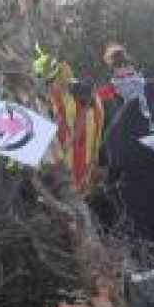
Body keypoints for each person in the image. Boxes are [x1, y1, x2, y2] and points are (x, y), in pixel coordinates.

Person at [97, 45, 154, 260]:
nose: (126, 76)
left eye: (129, 70)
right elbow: (98, 132)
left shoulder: (153, 91)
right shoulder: (104, 97)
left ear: (135, 68)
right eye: (120, 71)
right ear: (112, 72)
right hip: (128, 171)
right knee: (140, 226)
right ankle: (152, 267)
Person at [32, 47, 105, 196]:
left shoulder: (56, 98)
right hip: (85, 172)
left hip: (64, 175)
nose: (47, 87)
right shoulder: (90, 93)